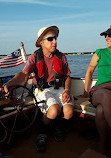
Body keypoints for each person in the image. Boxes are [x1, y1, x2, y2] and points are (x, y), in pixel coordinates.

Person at [3, 26, 74, 152]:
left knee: (68, 111)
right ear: (41, 42)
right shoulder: (34, 57)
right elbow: (24, 74)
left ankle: (58, 127)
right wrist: (9, 84)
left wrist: (67, 90)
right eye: (50, 39)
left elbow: (67, 77)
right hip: (42, 90)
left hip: (59, 88)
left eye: (55, 38)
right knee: (54, 110)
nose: (55, 41)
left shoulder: (61, 56)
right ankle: (42, 133)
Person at [83, 26, 111, 155]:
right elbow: (89, 71)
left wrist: (104, 86)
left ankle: (103, 144)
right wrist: (86, 91)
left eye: (109, 35)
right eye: (105, 35)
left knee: (100, 110)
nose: (106, 38)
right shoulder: (99, 52)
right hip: (99, 93)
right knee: (105, 97)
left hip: (103, 88)